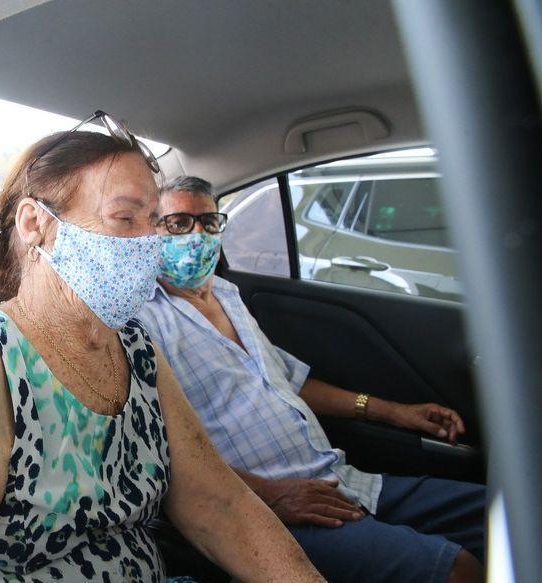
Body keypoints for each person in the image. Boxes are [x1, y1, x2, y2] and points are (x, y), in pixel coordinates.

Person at [0, 120, 325, 582]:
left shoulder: (137, 349)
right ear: (35, 224)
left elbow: (218, 502)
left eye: (154, 222)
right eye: (125, 218)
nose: (149, 243)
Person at [139, 175, 486, 583]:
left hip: (345, 480)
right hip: (273, 511)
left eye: (209, 222)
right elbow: (163, 458)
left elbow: (289, 381)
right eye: (179, 224)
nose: (197, 236)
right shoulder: (144, 322)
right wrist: (273, 495)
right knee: (458, 571)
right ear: (151, 231)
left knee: (507, 513)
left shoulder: (228, 295)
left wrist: (395, 413)